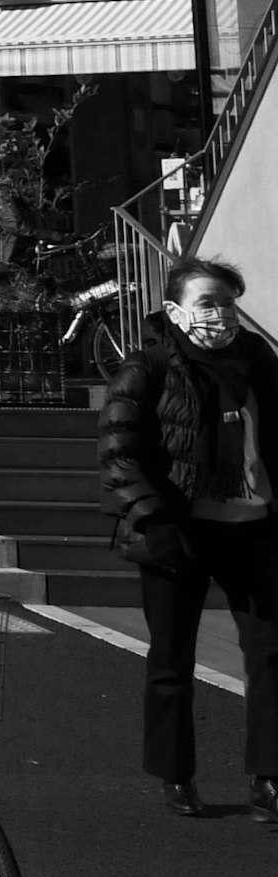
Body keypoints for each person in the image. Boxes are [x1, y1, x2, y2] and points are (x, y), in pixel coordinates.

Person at [99, 256, 278, 822]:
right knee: (172, 659)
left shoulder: (257, 359)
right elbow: (119, 450)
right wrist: (155, 521)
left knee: (271, 654)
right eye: (207, 303)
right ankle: (176, 774)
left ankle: (269, 779)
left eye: (227, 302)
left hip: (253, 528)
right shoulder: (149, 366)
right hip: (178, 531)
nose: (220, 315)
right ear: (175, 310)